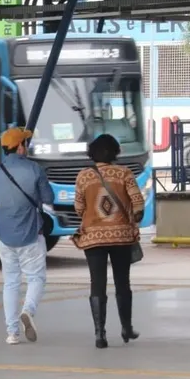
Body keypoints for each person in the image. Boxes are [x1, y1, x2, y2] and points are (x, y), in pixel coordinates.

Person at [72, 134, 145, 349]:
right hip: (121, 237)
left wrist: (94, 217)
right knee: (123, 282)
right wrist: (132, 217)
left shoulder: (84, 176)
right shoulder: (124, 173)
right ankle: (126, 328)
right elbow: (138, 202)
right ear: (115, 152)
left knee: (97, 284)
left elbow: (78, 208)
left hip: (93, 237)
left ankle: (100, 335)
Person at [0, 127, 54, 345]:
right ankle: (28, 310)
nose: (27, 146)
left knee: (11, 283)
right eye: (24, 143)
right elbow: (48, 198)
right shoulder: (35, 169)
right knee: (36, 278)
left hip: (4, 236)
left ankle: (12, 333)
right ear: (19, 147)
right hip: (31, 235)